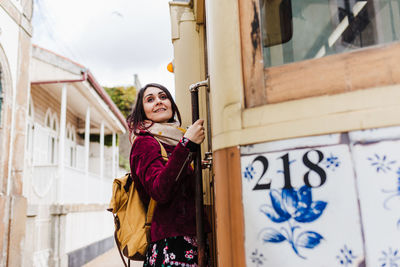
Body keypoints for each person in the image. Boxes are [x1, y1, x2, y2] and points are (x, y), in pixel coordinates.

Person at [127, 83, 206, 267]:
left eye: (163, 97)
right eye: (150, 99)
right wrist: (187, 145)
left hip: (191, 240)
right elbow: (159, 190)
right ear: (142, 111)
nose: (158, 102)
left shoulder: (175, 139)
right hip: (170, 246)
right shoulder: (145, 142)